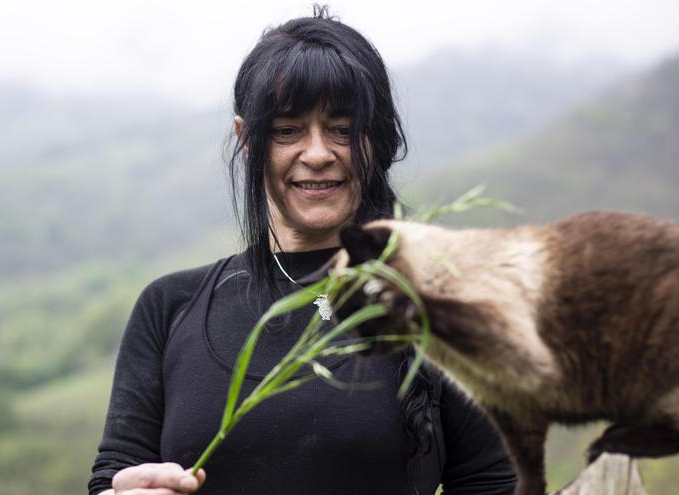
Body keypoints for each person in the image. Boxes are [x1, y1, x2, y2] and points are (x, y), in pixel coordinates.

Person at [89, 7, 517, 495]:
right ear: (247, 140)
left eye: (342, 128)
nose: (317, 154)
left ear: (377, 138)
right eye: (287, 130)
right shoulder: (169, 307)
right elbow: (114, 474)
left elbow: (494, 484)